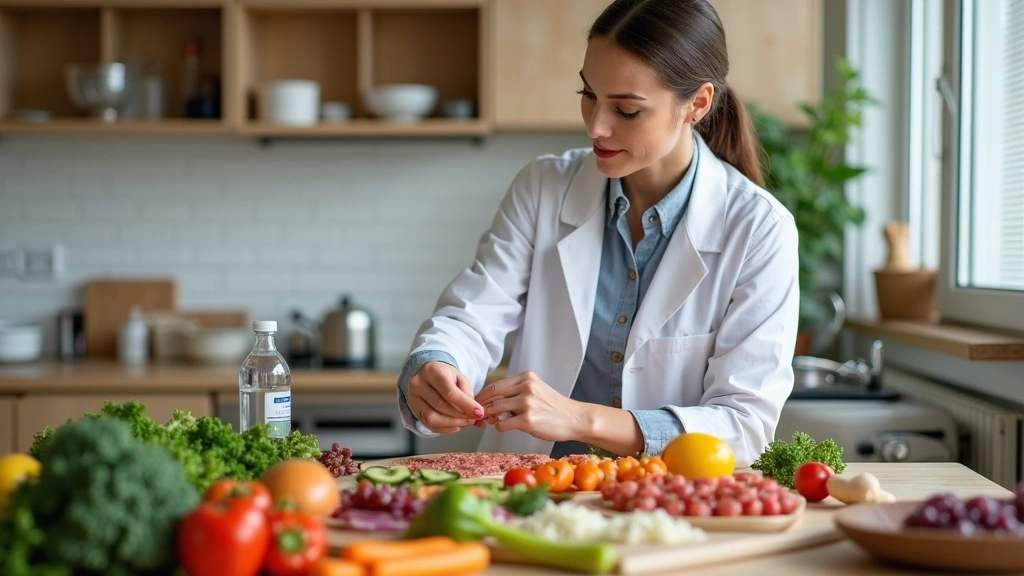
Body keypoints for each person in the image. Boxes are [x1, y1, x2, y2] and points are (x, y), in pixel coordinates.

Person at [395, 0, 799, 467]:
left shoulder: (759, 229)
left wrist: (578, 420)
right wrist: (436, 366)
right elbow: (475, 315)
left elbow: (744, 423)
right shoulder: (544, 187)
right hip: (530, 493)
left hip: (662, 508)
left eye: (626, 110)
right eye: (588, 95)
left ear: (698, 104)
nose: (595, 126)